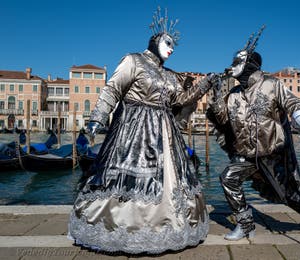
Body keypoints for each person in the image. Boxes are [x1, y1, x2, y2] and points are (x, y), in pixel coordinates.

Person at [68, 7, 219, 254]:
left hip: (166, 133)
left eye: (174, 47)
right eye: (168, 43)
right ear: (156, 41)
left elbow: (180, 99)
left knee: (172, 179)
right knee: (132, 181)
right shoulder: (133, 60)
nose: (171, 49)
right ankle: (124, 227)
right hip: (135, 130)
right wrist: (98, 118)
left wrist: (205, 83)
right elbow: (113, 89)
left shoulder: (170, 75)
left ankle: (170, 228)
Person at [207, 26, 300, 241]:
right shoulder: (234, 94)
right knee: (228, 178)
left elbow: (292, 102)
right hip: (247, 155)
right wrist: (217, 93)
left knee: (291, 197)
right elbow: (223, 121)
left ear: (249, 65)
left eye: (238, 62)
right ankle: (246, 224)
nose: (232, 66)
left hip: (274, 153)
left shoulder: (272, 85)